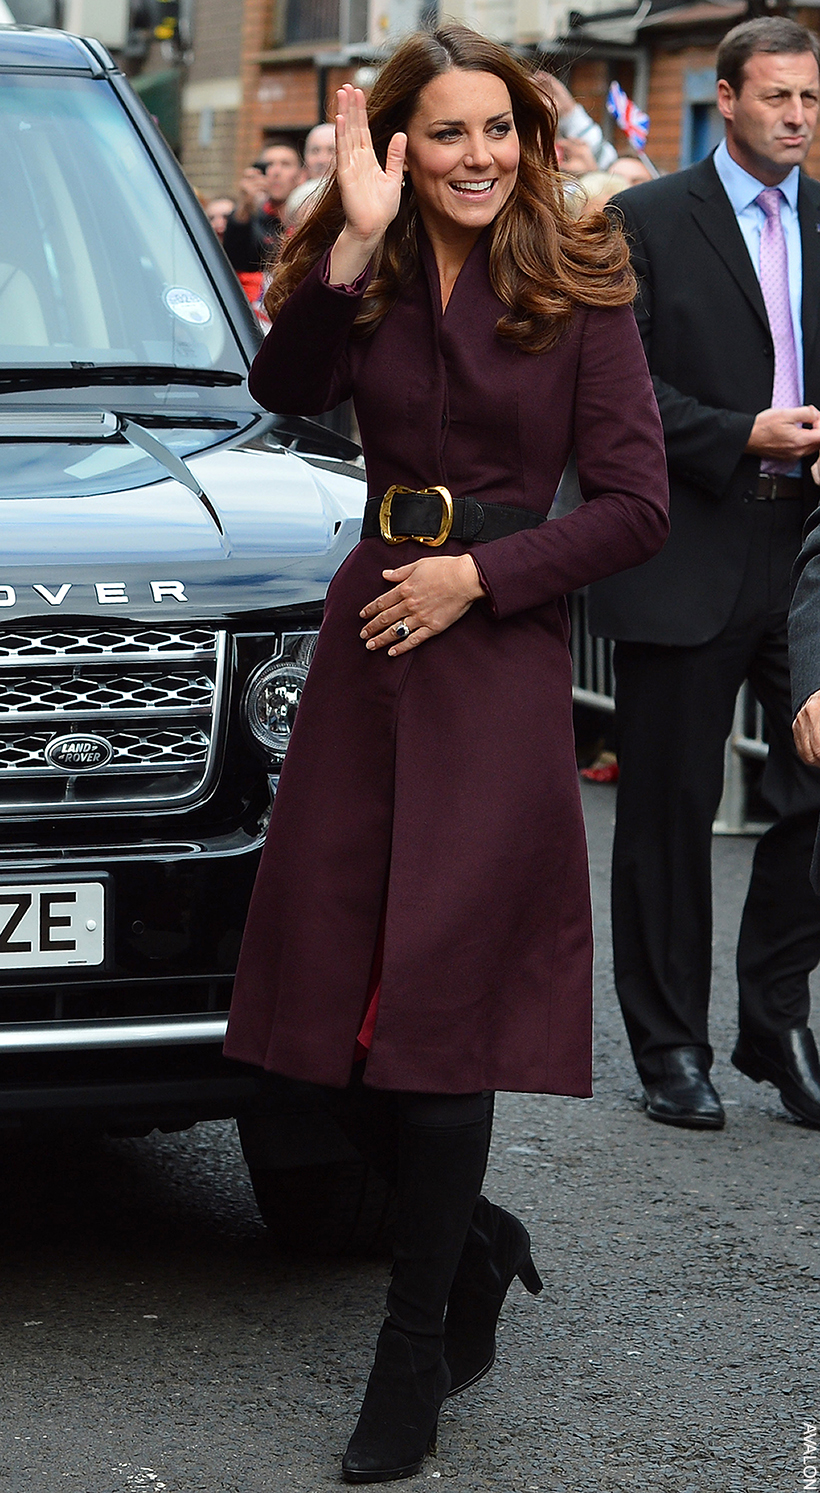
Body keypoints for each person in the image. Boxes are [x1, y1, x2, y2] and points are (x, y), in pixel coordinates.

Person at [224, 23, 668, 1483]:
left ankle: (414, 1346)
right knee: (303, 1045)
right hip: (366, 650)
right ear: (401, 146)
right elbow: (286, 394)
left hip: (492, 653)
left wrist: (480, 576)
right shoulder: (369, 267)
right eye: (450, 133)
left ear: (532, 147)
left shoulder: (582, 283)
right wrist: (347, 243)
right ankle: (477, 1238)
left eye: (503, 132)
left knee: (439, 1034)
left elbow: (634, 506)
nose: (480, 156)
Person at [588, 16, 820, 1132]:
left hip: (807, 555)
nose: (795, 117)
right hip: (686, 544)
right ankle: (670, 1042)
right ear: (722, 98)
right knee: (671, 814)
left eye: (809, 100)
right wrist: (743, 436)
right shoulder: (643, 220)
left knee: (817, 785)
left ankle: (772, 1017)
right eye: (775, 97)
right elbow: (619, 403)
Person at [222, 140, 302, 302]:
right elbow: (234, 257)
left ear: (301, 175)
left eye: (285, 164)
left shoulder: (308, 219)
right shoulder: (249, 218)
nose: (276, 172)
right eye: (269, 165)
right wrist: (245, 204)